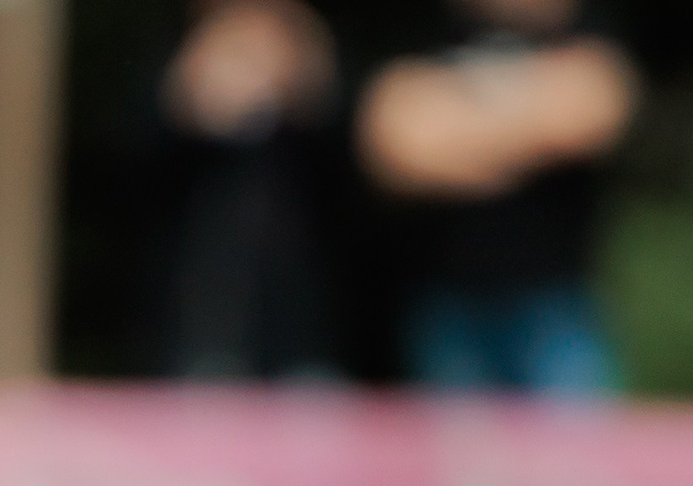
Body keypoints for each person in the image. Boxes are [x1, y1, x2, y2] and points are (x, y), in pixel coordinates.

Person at [358, 0, 637, 396]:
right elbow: (394, 150)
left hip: (556, 303)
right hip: (446, 302)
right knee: (459, 457)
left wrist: (453, 135)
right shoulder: (428, 30)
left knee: (572, 457)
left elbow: (591, 114)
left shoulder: (585, 26)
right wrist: (529, 131)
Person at [155, 0, 339, 381]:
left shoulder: (314, 55)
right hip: (203, 338)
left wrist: (303, 81)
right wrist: (192, 97)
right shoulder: (180, 56)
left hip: (306, 339)